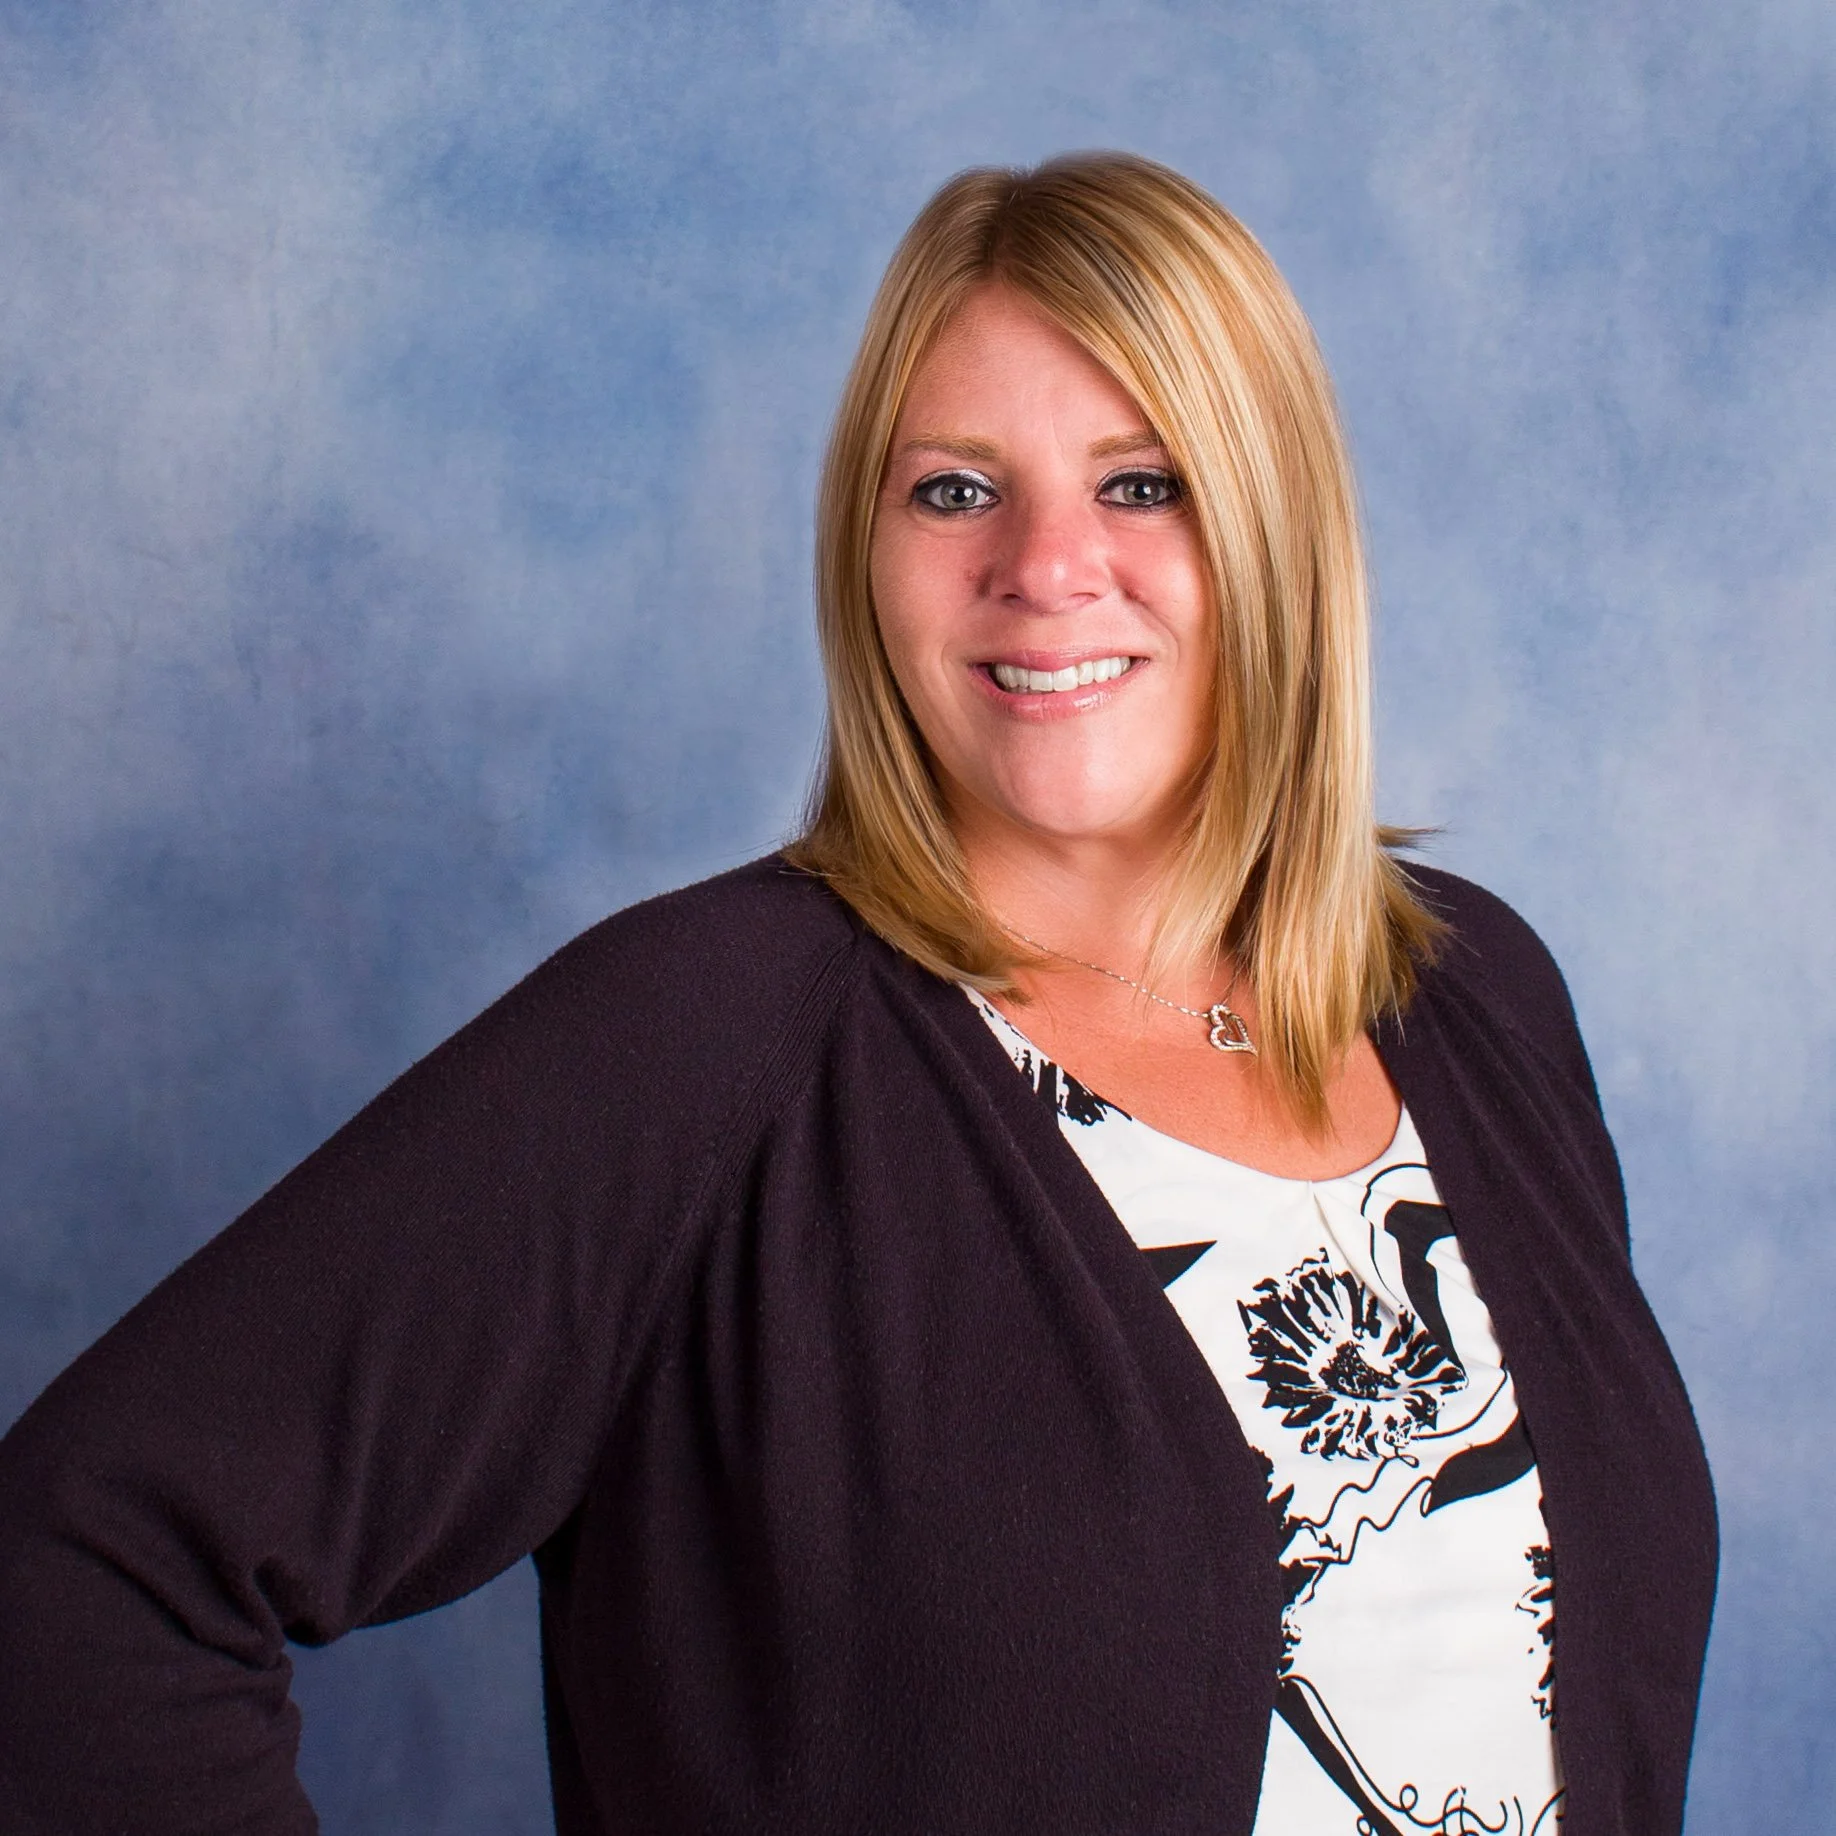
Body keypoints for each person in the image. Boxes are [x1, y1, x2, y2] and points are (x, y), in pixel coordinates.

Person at [0, 151, 1715, 1835]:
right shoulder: (706, 1040)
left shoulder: (1475, 995)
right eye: (955, 489)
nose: (1047, 568)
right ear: (867, 548)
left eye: (1143, 482)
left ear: (1279, 533)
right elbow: (83, 1574)